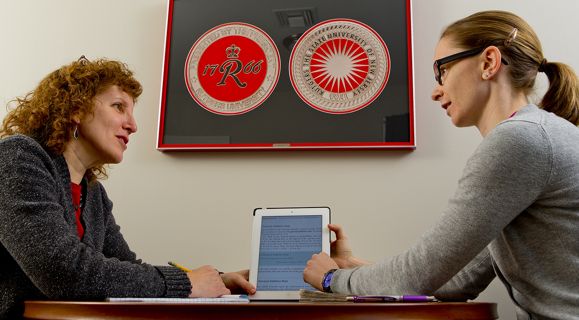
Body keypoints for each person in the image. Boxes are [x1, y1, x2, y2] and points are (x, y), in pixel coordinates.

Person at [303, 10, 578, 320]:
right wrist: (354, 268)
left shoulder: (519, 140)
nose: (436, 91)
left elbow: (418, 275)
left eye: (442, 71)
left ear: (488, 62)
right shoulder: (534, 137)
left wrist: (331, 280)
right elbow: (459, 281)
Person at [0, 57, 255, 319]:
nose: (133, 126)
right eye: (119, 107)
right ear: (75, 109)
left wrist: (216, 281)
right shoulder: (17, 157)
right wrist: (188, 283)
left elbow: (127, 269)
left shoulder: (93, 193)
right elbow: (59, 270)